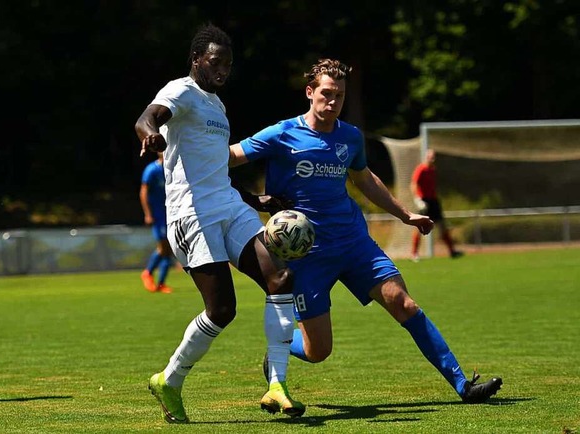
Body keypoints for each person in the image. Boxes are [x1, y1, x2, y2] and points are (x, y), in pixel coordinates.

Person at [229, 58, 503, 405]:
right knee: (318, 350)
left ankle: (462, 384)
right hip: (307, 255)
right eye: (326, 94)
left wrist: (406, 215)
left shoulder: (350, 137)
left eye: (339, 96)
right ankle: (280, 349)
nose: (332, 102)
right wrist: (246, 194)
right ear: (310, 92)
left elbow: (365, 179)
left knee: (404, 303)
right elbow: (230, 156)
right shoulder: (282, 133)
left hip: (354, 242)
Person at [134, 23, 304, 423]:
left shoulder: (218, 107)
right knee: (222, 310)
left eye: (228, 64)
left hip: (229, 206)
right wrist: (150, 135)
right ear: (196, 60)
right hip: (192, 215)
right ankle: (169, 380)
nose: (223, 70)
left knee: (280, 278)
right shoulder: (181, 91)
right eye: (215, 62)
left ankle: (277, 385)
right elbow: (148, 117)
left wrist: (254, 200)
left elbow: (216, 171)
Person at [410, 149, 464, 261]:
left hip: (434, 201)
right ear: (426, 157)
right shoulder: (421, 169)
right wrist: (418, 199)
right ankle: (414, 253)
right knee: (419, 226)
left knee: (442, 226)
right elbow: (414, 184)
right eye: (430, 157)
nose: (432, 159)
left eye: (433, 157)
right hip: (424, 201)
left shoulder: (433, 170)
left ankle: (452, 251)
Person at [139, 152, 173, 293]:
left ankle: (160, 283)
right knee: (164, 247)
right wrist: (148, 214)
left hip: (170, 214)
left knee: (170, 249)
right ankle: (148, 272)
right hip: (158, 215)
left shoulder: (173, 168)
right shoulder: (152, 169)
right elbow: (144, 192)